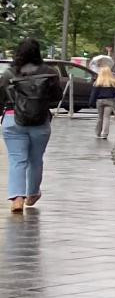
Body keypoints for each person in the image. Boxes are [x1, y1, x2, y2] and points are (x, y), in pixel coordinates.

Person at [1, 39, 68, 214]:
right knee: (36, 159)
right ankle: (32, 193)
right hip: (40, 120)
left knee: (17, 159)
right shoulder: (50, 73)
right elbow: (56, 97)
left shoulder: (9, 73)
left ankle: (17, 197)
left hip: (13, 119)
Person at [90, 58, 115, 139]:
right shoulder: (113, 82)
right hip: (110, 101)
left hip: (100, 101)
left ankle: (98, 132)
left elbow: (94, 94)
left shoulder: (98, 82)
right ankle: (104, 134)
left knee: (100, 117)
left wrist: (91, 103)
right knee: (106, 117)